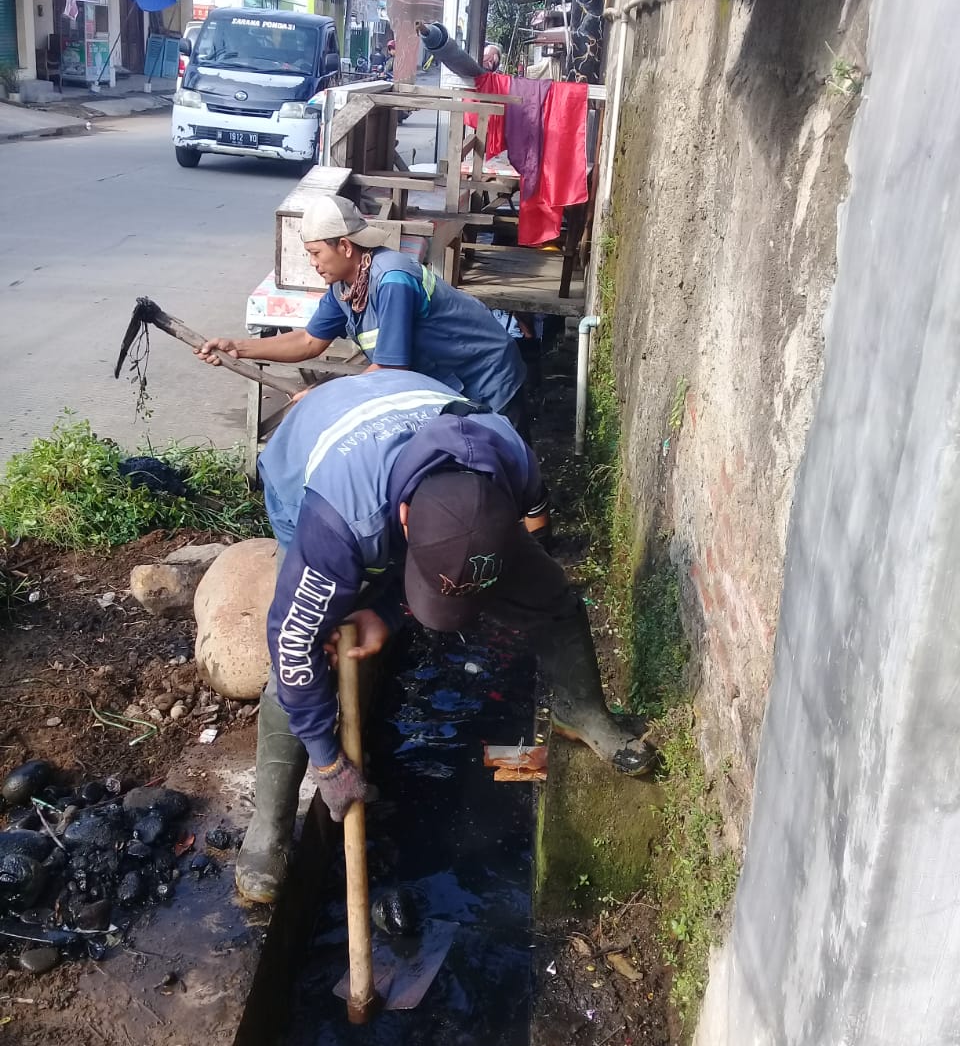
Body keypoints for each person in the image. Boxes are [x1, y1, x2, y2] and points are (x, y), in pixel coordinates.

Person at [235, 369, 657, 904]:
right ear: (404, 520)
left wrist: (388, 614)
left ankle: (584, 712)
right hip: (309, 461)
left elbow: (512, 543)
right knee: (305, 641)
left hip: (414, 433)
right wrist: (327, 759)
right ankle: (269, 826)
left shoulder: (512, 458)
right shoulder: (339, 523)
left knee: (551, 594)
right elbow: (291, 643)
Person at [196, 195, 529, 435]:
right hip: (446, 378)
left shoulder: (392, 278)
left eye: (315, 253)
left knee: (504, 465)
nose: (313, 263)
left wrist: (323, 394)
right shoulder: (344, 287)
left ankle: (535, 530)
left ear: (344, 246)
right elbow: (309, 341)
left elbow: (389, 367)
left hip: (485, 373)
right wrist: (238, 348)